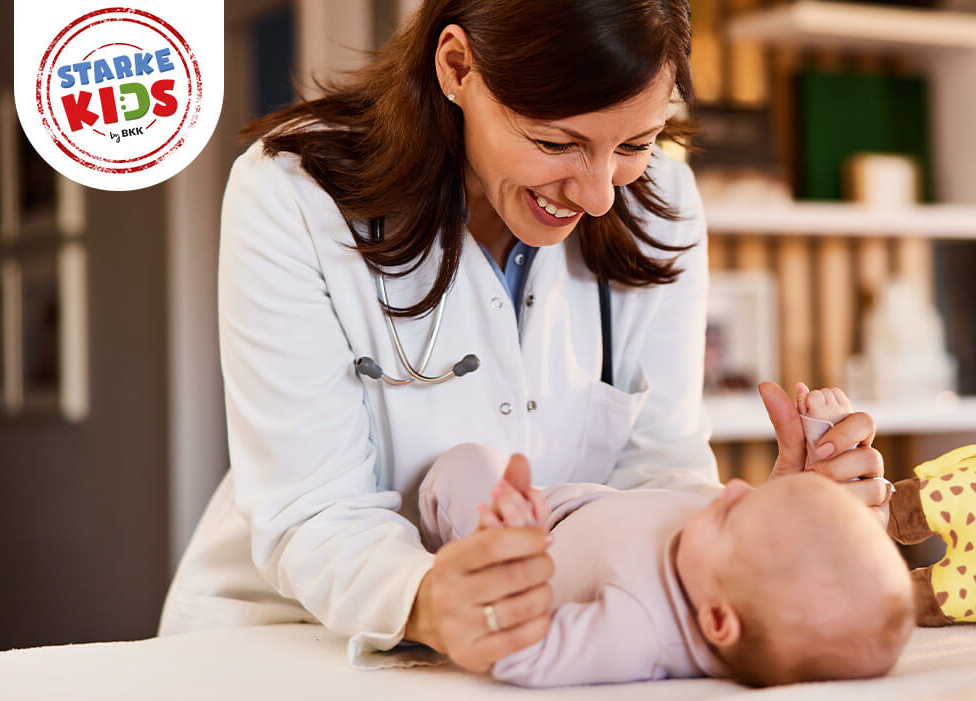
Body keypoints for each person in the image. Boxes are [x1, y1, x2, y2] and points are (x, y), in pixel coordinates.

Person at [158, 0, 891, 672]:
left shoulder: (662, 201)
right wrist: (428, 598)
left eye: (636, 141)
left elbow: (658, 469)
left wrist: (763, 537)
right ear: (457, 67)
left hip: (537, 633)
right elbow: (317, 510)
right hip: (293, 635)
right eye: (555, 141)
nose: (600, 191)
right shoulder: (294, 194)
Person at [416, 386, 913, 687]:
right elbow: (759, 535)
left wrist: (504, 556)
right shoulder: (729, 571)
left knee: (466, 464)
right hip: (588, 503)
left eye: (730, 514)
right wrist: (819, 443)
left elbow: (525, 653)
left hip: (538, 543)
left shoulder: (640, 633)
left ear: (717, 620)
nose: (735, 487)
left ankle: (478, 537)